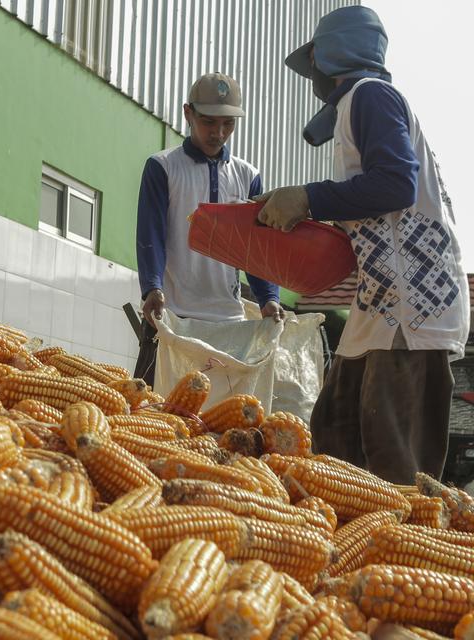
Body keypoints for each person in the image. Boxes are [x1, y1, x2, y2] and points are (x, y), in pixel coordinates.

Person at [256, 6, 470, 484]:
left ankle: (406, 554)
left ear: (328, 57)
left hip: (412, 308)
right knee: (334, 435)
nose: (310, 74)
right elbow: (376, 205)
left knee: (393, 467)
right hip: (379, 302)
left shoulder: (370, 96)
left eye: (312, 62)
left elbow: (396, 185)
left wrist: (309, 198)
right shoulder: (362, 104)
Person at [134, 72, 283, 383]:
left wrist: (269, 296)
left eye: (228, 124)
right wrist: (152, 287)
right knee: (155, 417)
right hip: (173, 316)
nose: (219, 133)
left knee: (221, 425)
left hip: (229, 323)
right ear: (188, 113)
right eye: (209, 122)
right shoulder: (163, 167)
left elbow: (256, 247)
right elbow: (151, 235)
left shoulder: (247, 176)